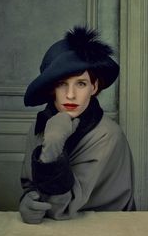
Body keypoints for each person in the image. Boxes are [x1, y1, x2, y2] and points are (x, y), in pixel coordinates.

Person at [19, 26, 135, 224]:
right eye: (62, 83)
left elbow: (60, 209)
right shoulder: (39, 126)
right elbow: (31, 185)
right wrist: (27, 202)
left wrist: (53, 143)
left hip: (104, 230)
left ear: (94, 87)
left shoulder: (107, 135)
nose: (70, 95)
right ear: (51, 89)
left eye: (80, 83)